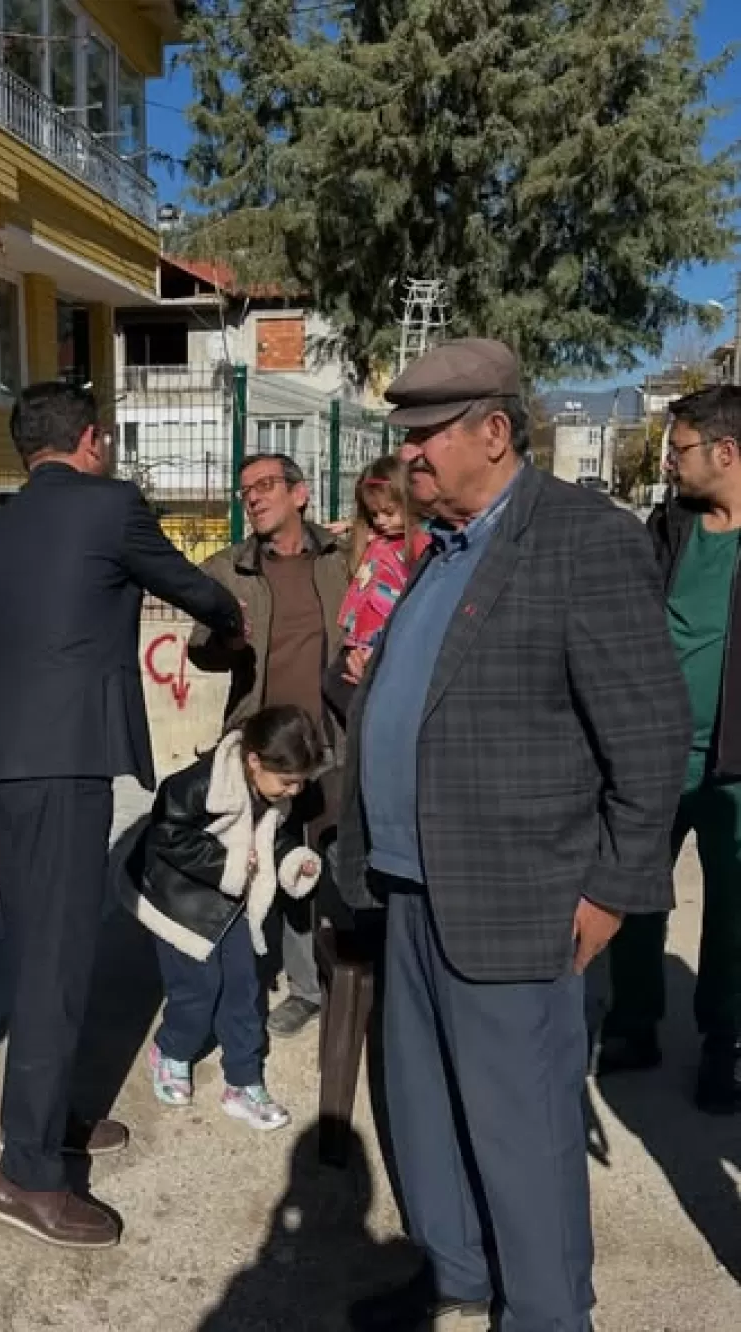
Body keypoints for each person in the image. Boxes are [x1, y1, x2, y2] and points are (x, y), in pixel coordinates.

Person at [336, 338, 691, 1332]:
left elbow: (650, 734)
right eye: (403, 440)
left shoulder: (581, 540)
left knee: (521, 1132)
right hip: (408, 889)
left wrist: (613, 890)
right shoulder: (438, 550)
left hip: (514, 894)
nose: (409, 458)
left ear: (493, 433)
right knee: (424, 1108)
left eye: (425, 439)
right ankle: (459, 1273)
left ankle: (542, 1311)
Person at [0, 381, 243, 1250]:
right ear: (90, 440)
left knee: (44, 950)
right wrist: (231, 622)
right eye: (105, 437)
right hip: (62, 765)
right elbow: (195, 589)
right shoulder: (111, 506)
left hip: (6, 770)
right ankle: (26, 1173)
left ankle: (54, 1114)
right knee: (57, 960)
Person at [599, 385, 741, 1115]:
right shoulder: (673, 524)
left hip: (735, 766)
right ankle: (633, 1023)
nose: (669, 461)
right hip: (655, 751)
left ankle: (728, 1042)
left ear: (725, 451)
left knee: (734, 911)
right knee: (634, 888)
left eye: (679, 448)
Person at [188, 453, 350, 1039]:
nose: (253, 497)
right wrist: (226, 642)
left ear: (300, 494)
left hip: (334, 740)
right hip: (261, 749)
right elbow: (199, 650)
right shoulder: (227, 569)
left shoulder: (344, 558)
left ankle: (355, 975)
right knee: (261, 865)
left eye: (265, 486)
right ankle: (291, 988)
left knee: (332, 866)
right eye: (245, 490)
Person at [122, 705, 323, 1132]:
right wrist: (228, 862)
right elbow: (168, 835)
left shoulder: (271, 791)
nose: (293, 791)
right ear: (254, 761)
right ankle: (171, 1050)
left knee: (243, 987)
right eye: (287, 781)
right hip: (181, 902)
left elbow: (275, 837)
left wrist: (293, 862)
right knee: (197, 987)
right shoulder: (200, 783)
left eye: (300, 783)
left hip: (232, 902)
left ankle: (243, 1080)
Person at [324, 455, 429, 719]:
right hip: (362, 634)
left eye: (389, 512)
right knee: (334, 683)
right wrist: (350, 525)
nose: (381, 520)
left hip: (387, 637)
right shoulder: (377, 537)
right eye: (374, 514)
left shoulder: (418, 541)